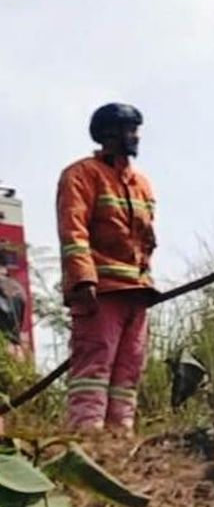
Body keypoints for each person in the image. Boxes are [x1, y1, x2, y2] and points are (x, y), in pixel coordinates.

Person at [57, 103, 156, 434]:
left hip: (136, 292)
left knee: (129, 367)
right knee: (95, 364)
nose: (135, 137)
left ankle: (119, 437)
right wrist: (83, 279)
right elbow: (73, 231)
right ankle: (87, 436)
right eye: (129, 130)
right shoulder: (81, 175)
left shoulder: (141, 184)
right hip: (100, 291)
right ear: (109, 134)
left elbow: (145, 240)